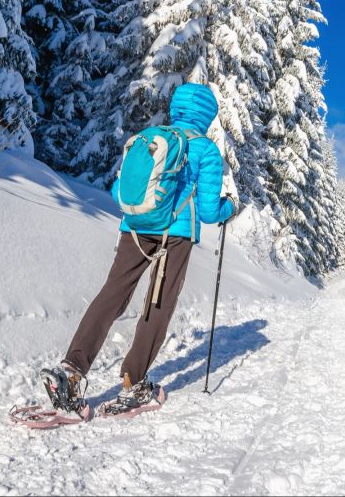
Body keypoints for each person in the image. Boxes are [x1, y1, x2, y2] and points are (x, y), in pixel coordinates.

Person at [42, 83, 237, 414]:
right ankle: (135, 383)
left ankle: (71, 370)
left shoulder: (149, 137)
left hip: (133, 227)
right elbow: (206, 212)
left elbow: (120, 187)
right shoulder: (205, 150)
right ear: (207, 116)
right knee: (156, 305)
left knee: (112, 295)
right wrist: (228, 208)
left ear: (176, 107)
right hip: (174, 235)